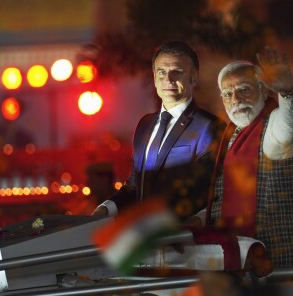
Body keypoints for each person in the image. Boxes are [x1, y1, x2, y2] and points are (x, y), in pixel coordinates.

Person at [192, 48, 293, 269]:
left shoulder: (275, 124)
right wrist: (199, 220)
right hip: (236, 259)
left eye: (244, 90)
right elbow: (227, 199)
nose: (236, 99)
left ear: (262, 89)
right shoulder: (229, 137)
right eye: (227, 94)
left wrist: (288, 92)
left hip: (278, 260)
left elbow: (292, 120)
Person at [93, 41, 225, 221]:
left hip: (183, 237)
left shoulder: (209, 126)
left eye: (177, 72)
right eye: (162, 72)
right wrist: (106, 209)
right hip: (144, 237)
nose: (168, 80)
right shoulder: (144, 125)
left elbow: (209, 190)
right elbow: (134, 184)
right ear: (154, 78)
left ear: (194, 77)